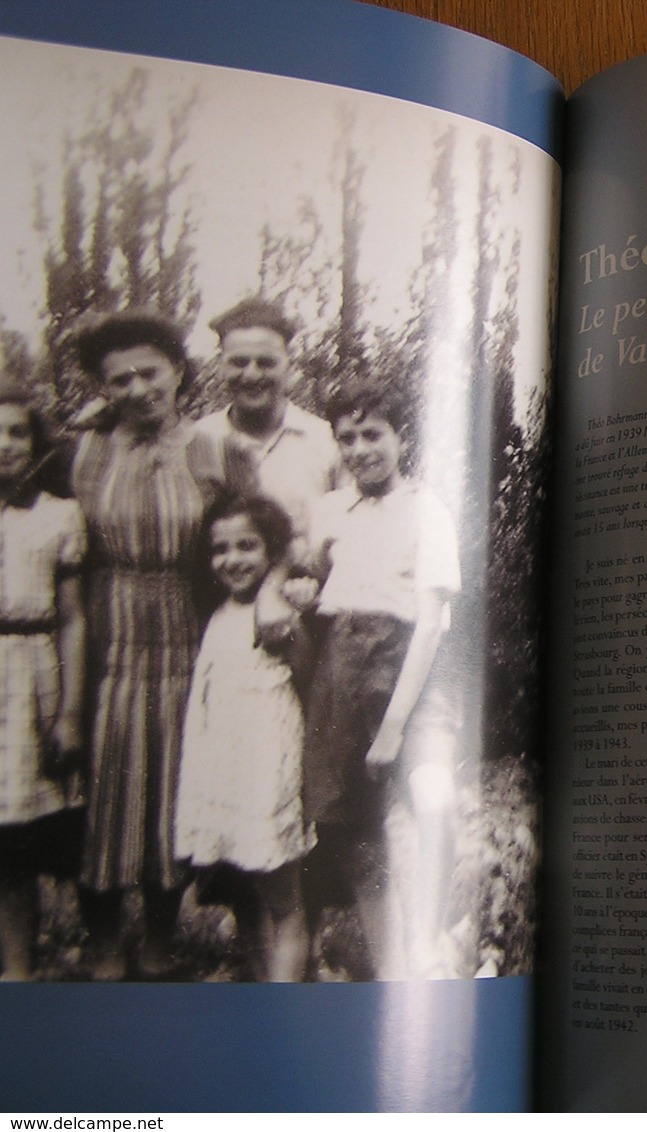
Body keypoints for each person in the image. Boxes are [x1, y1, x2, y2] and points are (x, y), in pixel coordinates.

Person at [71, 308, 256, 978]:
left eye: (150, 372)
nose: (138, 389)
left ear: (179, 372)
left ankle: (155, 938)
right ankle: (100, 942)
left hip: (183, 634)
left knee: (167, 789)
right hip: (105, 635)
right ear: (103, 387)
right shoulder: (87, 450)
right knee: (100, 791)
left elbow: (258, 532)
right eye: (119, 380)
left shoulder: (215, 450)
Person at [288, 383, 460, 979]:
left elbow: (433, 623)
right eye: (348, 437)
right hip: (341, 665)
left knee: (435, 803)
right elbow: (308, 576)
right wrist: (300, 589)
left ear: (401, 437)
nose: (361, 449)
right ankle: (391, 968)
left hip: (411, 664)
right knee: (354, 831)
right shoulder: (331, 510)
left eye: (373, 434)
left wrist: (391, 730)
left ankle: (434, 942)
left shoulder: (426, 508)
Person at [175, 494, 312, 982]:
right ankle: (260, 985)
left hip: (265, 771)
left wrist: (279, 590)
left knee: (284, 899)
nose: (232, 560)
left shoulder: (277, 615)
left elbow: (305, 680)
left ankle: (283, 1007)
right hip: (223, 773)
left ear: (272, 550)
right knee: (243, 890)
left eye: (247, 546)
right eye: (220, 549)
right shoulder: (216, 612)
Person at [0, 384, 85, 980]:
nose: (4, 445)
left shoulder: (59, 514)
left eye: (16, 431)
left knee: (14, 842)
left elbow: (74, 618)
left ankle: (19, 972)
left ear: (35, 442)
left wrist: (70, 713)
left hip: (29, 679)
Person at [197, 298, 338, 538]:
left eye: (266, 363)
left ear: (288, 365)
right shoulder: (198, 440)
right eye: (239, 362)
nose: (251, 375)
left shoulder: (326, 442)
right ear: (221, 365)